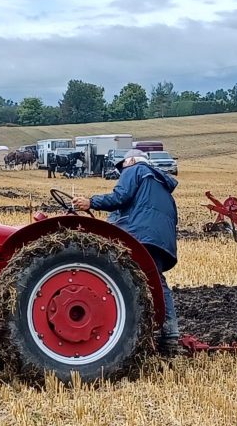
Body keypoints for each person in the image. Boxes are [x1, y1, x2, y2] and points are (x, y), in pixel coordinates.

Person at [72, 149, 181, 354]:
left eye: (123, 166)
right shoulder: (161, 185)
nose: (122, 171)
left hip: (142, 234)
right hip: (160, 239)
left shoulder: (136, 169)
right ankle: (170, 335)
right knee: (156, 281)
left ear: (130, 160)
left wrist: (91, 202)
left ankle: (125, 329)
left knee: (118, 277)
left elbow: (120, 198)